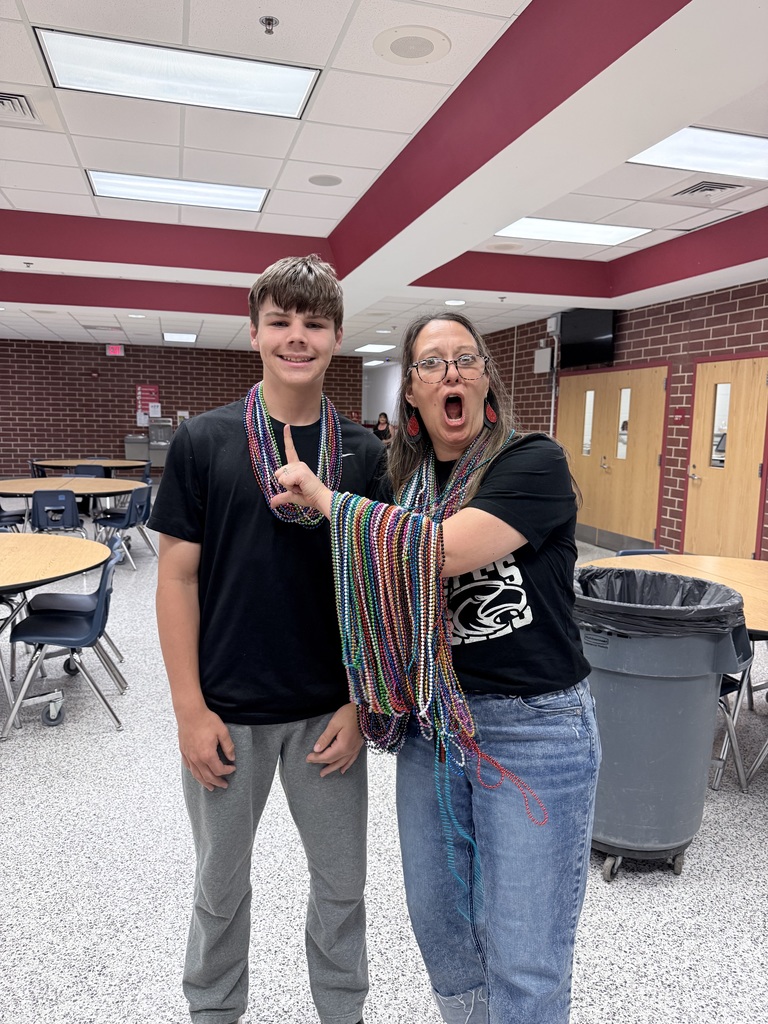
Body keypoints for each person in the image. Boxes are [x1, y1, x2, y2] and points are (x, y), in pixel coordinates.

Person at [270, 311, 601, 1024]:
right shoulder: (405, 489)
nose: (451, 372)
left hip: (534, 732)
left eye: (465, 359)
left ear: (485, 382)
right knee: (445, 939)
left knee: (523, 954)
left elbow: (436, 551)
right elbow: (375, 583)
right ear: (414, 399)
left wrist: (330, 502)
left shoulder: (531, 462)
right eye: (430, 364)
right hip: (432, 732)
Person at [149, 254, 386, 1024]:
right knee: (219, 889)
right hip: (228, 711)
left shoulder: (364, 455)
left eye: (313, 323)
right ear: (253, 332)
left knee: (342, 886)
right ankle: (213, 1012)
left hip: (328, 714)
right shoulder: (206, 444)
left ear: (337, 336)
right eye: (280, 320)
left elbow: (376, 588)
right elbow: (176, 580)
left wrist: (360, 702)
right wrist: (189, 710)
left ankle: (341, 1012)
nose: (296, 336)